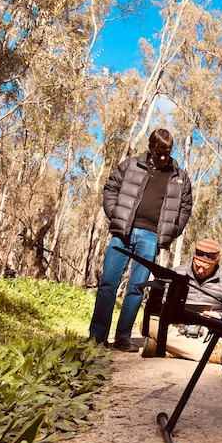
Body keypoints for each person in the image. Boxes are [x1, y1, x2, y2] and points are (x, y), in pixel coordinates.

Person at [89, 128, 193, 352]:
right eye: (159, 153)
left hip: (150, 237)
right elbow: (111, 187)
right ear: (150, 148)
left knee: (136, 288)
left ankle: (123, 337)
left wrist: (172, 231)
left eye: (167, 153)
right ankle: (97, 336)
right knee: (108, 284)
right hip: (122, 233)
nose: (163, 157)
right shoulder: (131, 165)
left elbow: (185, 207)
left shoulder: (179, 177)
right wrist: (115, 213)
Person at [144, 238, 222, 362]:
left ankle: (166, 348)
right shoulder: (176, 273)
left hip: (209, 332)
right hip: (175, 327)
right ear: (193, 256)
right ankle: (216, 356)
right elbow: (162, 305)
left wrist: (219, 316)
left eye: (206, 268)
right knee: (148, 324)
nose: (200, 271)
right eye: (197, 266)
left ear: (217, 262)